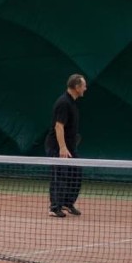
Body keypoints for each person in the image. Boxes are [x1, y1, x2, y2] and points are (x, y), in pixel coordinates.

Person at [45, 74, 87, 218]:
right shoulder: (64, 103)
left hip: (70, 147)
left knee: (76, 173)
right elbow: (58, 126)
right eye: (83, 86)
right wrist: (62, 147)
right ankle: (54, 207)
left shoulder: (72, 103)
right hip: (57, 147)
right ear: (77, 87)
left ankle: (67, 203)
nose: (85, 88)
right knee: (60, 176)